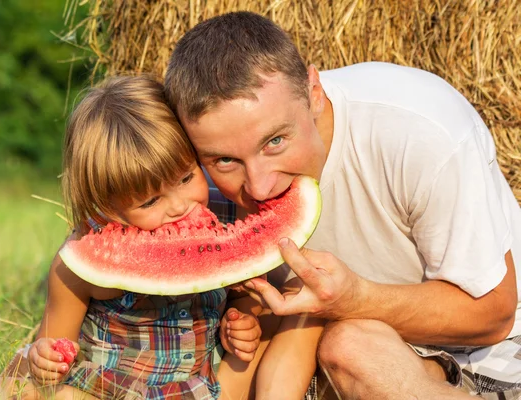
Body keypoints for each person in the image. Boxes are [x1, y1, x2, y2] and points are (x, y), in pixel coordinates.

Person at [163, 11, 521, 400]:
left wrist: (354, 299)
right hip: (329, 351)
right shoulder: (190, 183)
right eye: (225, 161)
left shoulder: (417, 133)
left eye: (275, 142)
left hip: (488, 353)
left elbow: (494, 314)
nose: (260, 187)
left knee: (348, 347)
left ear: (313, 93)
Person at [0, 75, 319, 400]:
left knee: (301, 313)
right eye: (150, 200)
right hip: (103, 387)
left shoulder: (226, 215)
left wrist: (241, 324)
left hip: (192, 390)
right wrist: (44, 358)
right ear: (108, 210)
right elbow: (53, 342)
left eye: (186, 178)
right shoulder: (77, 266)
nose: (179, 206)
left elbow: (241, 295)